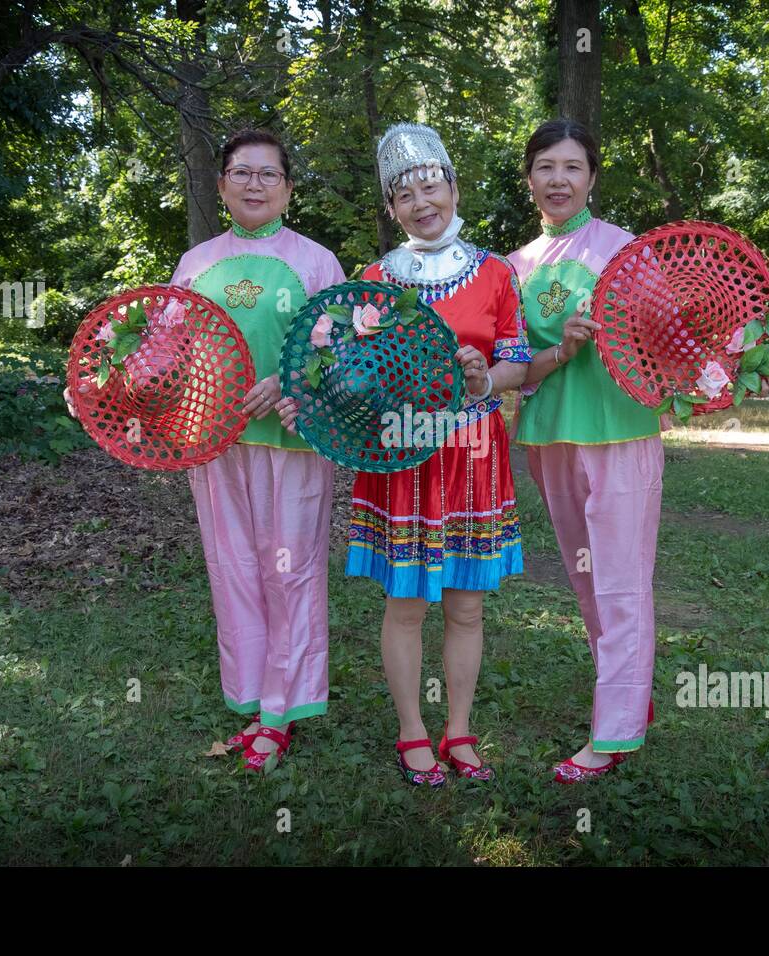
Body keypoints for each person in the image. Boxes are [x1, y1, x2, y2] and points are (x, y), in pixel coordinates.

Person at [507, 119, 769, 782]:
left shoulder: (625, 250)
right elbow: (516, 366)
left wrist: (746, 363)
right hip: (549, 433)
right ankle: (628, 697)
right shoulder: (513, 266)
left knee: (622, 581)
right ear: (529, 180)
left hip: (623, 434)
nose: (558, 179)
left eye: (572, 166)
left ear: (592, 176)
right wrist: (562, 350)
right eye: (545, 167)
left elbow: (682, 336)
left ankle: (615, 731)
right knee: (584, 580)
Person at [71, 128, 345, 772]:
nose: (255, 184)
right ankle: (252, 695)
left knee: (291, 569)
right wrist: (102, 386)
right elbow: (158, 352)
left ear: (288, 188)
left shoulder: (316, 262)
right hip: (213, 439)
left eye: (268, 174)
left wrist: (293, 374)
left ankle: (284, 708)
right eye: (242, 173)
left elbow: (341, 350)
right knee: (235, 568)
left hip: (293, 440)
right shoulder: (195, 264)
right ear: (221, 185)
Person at [280, 122, 530, 786]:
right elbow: (348, 376)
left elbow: (518, 363)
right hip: (399, 455)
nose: (422, 202)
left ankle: (460, 729)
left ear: (452, 186)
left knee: (467, 604)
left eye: (431, 185)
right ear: (392, 210)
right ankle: (412, 732)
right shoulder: (372, 280)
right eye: (405, 195)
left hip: (473, 451)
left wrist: (483, 379)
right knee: (406, 602)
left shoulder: (498, 273)